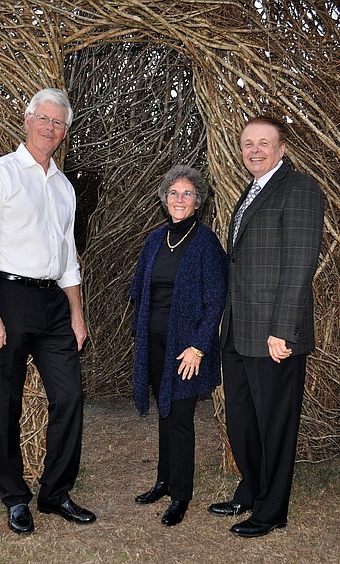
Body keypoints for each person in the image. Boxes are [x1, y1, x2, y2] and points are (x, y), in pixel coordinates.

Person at [0, 88, 95, 535]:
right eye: (45, 119)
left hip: (55, 303)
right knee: (7, 401)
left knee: (70, 396)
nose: (51, 128)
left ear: (65, 132)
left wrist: (76, 314)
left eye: (59, 123)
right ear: (27, 119)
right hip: (10, 298)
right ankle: (15, 496)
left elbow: (69, 258)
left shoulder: (64, 187)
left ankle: (55, 492)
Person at [209, 116, 325, 538]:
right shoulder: (250, 192)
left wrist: (283, 331)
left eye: (264, 143)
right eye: (247, 144)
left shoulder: (298, 189)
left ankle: (272, 510)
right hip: (239, 331)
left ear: (282, 148)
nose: (254, 150)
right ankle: (250, 489)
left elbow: (299, 265)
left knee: (274, 423)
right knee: (243, 420)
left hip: (274, 335)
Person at [129, 165, 228, 527]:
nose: (179, 199)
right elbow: (139, 290)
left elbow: (217, 299)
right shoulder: (155, 240)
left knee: (181, 419)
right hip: (153, 343)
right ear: (165, 198)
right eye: (174, 193)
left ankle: (181, 495)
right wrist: (141, 332)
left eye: (187, 194)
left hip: (187, 349)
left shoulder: (206, 243)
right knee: (165, 412)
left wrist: (199, 347)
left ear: (198, 200)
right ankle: (163, 481)